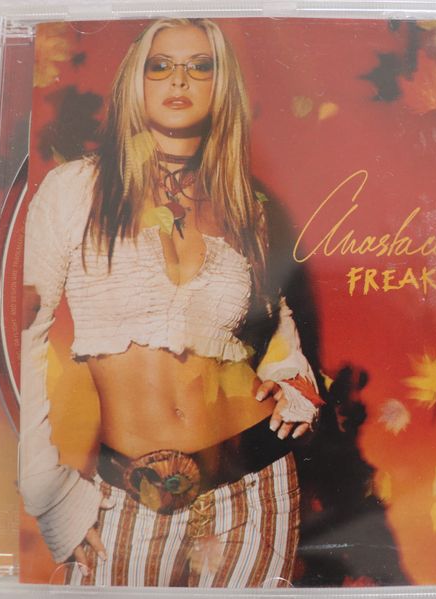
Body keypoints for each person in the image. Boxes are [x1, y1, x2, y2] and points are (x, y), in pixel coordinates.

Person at [19, 17, 322, 588]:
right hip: (131, 494)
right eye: (161, 65)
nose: (178, 80)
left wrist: (293, 382)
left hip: (254, 486)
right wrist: (46, 491)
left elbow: (275, 319)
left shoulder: (244, 204)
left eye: (199, 66)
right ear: (136, 79)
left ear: (220, 84)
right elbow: (24, 337)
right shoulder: (75, 189)